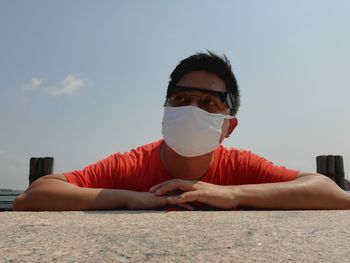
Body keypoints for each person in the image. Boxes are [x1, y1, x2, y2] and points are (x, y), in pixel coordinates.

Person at [14, 51, 350, 211]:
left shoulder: (241, 167)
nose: (192, 109)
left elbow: (332, 195)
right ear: (165, 113)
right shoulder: (129, 166)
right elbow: (34, 197)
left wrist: (235, 194)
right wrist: (132, 198)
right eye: (181, 99)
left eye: (209, 103)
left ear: (228, 127)